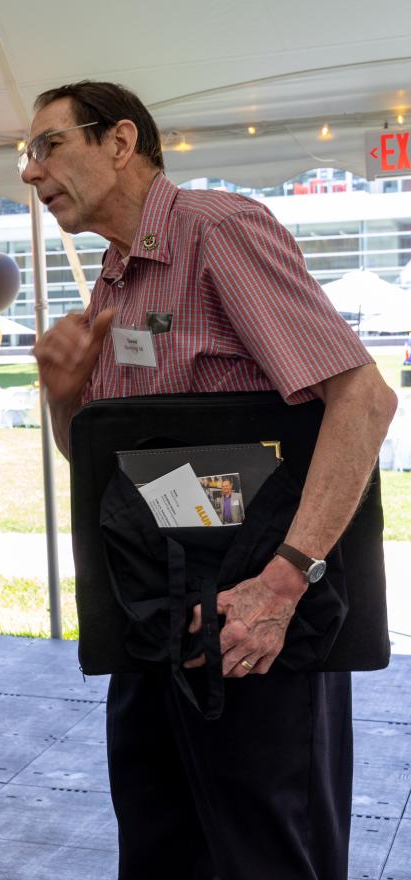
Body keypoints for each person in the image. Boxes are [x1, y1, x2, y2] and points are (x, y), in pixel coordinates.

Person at [25, 81, 397, 879]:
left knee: (266, 853)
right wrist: (65, 403)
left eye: (48, 144)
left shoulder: (216, 231)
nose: (30, 171)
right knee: (162, 847)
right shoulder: (114, 278)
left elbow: (362, 398)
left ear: (120, 142)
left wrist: (285, 581)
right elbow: (107, 472)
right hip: (153, 621)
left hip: (250, 622)